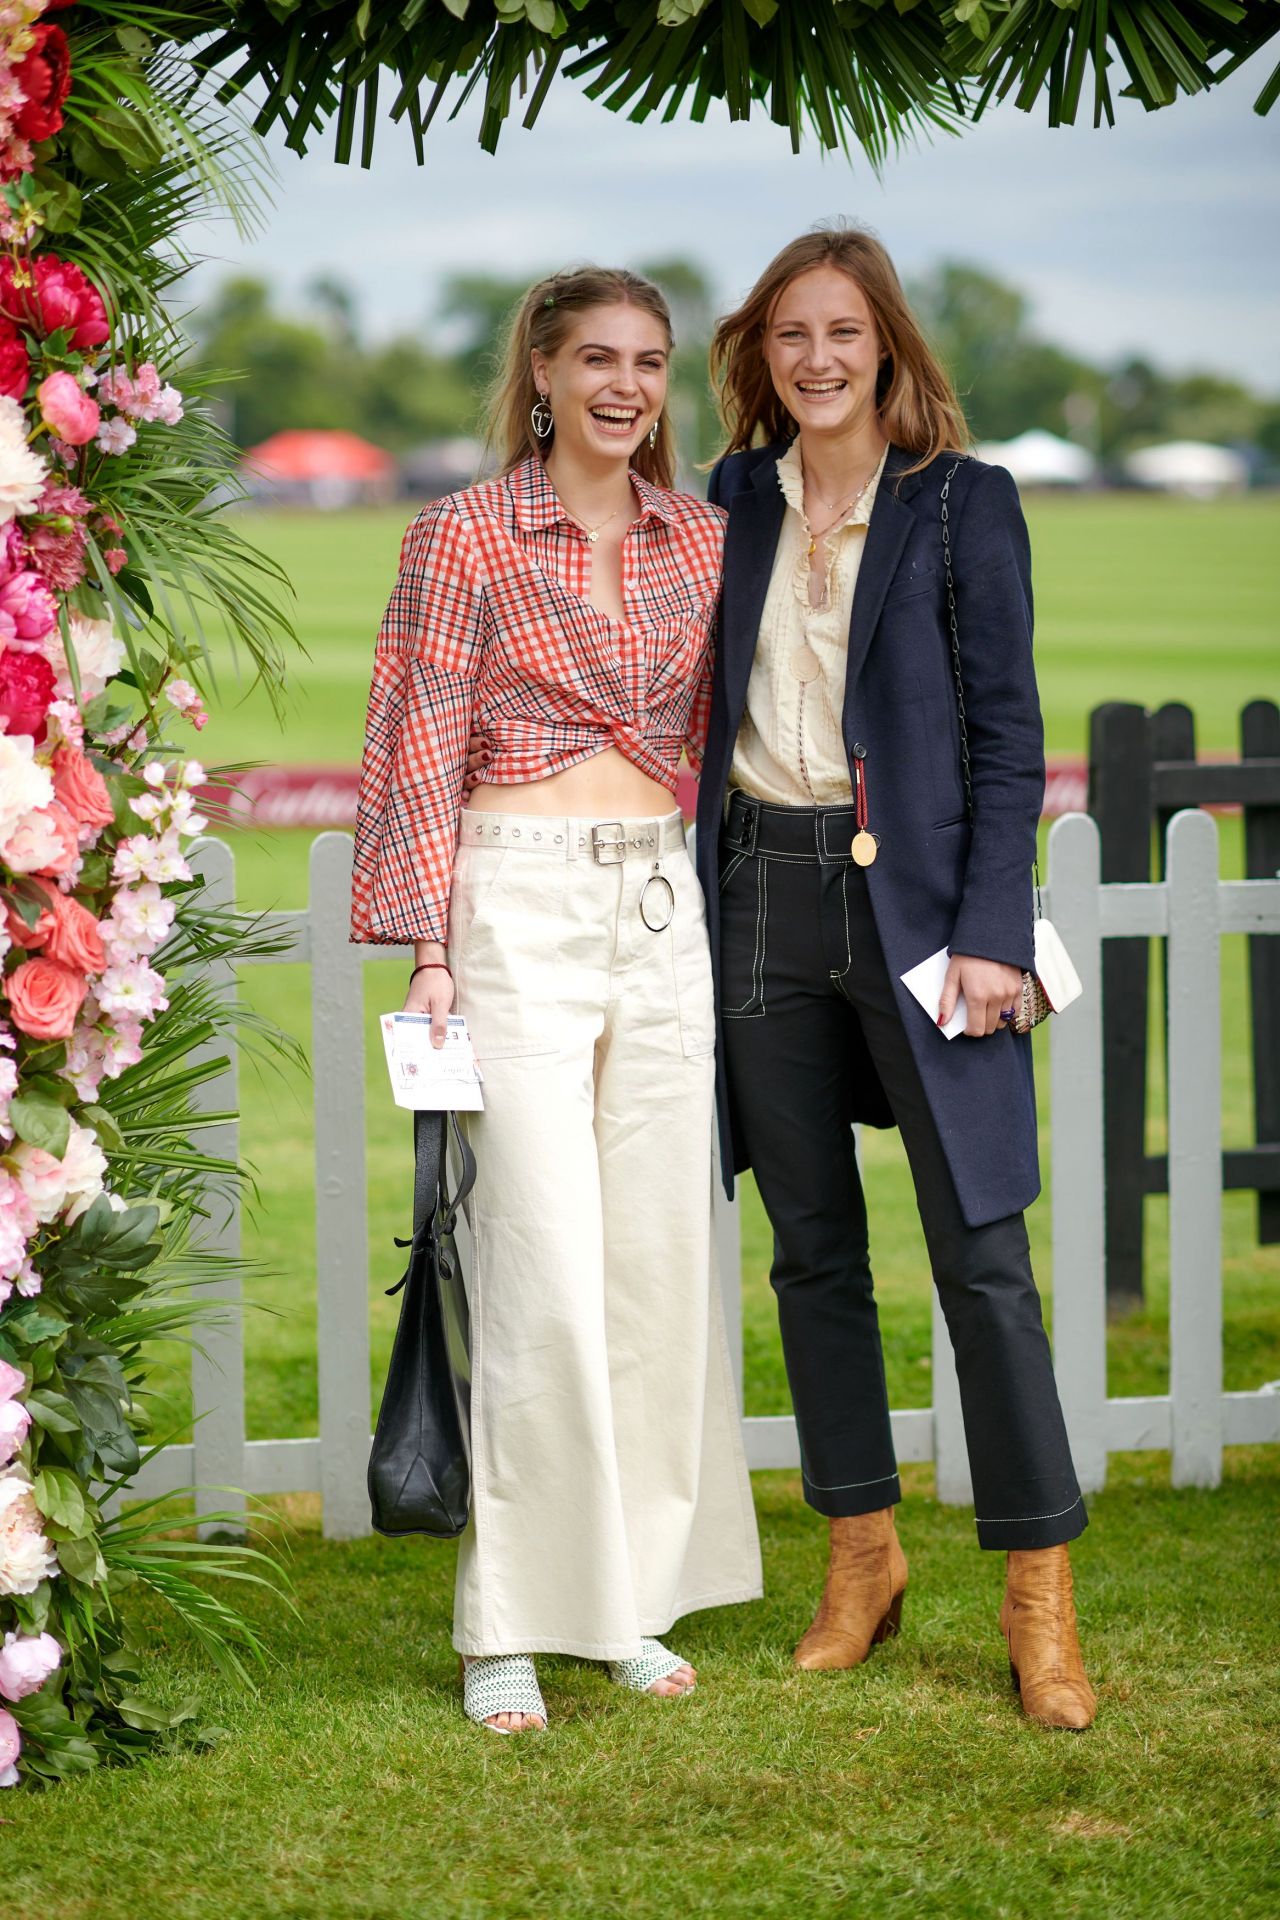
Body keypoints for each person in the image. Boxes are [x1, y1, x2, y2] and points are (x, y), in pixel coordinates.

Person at [351, 267, 762, 1735]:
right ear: (540, 371)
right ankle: (511, 1621)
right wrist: (428, 952)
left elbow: (722, 740)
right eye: (596, 357)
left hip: (659, 905)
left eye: (649, 363)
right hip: (510, 901)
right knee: (534, 1259)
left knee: (656, 1261)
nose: (625, 386)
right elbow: (415, 738)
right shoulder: (458, 534)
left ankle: (634, 1597)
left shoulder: (702, 538)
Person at [698, 227, 1095, 1730]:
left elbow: (1012, 731)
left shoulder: (962, 508)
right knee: (810, 1253)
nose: (815, 359)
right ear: (759, 351)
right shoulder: (729, 497)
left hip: (931, 921)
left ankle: (1037, 1599)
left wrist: (996, 927)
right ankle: (860, 1558)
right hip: (758, 899)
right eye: (789, 334)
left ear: (886, 348)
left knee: (984, 1258)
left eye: (841, 334)